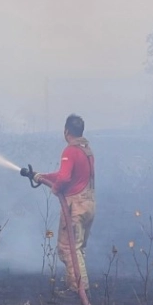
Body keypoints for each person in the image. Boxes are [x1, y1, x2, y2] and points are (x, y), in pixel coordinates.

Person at [34, 114, 95, 294]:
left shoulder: (70, 151)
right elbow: (69, 175)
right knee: (78, 248)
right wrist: (42, 176)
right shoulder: (86, 150)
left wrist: (55, 189)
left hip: (75, 206)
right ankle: (77, 285)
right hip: (89, 205)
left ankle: (79, 289)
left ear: (66, 131)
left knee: (68, 248)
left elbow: (65, 178)